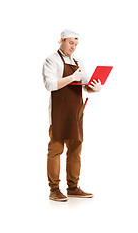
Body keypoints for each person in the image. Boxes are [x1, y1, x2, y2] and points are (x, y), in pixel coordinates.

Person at [42, 29, 101, 202]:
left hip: (76, 113)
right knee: (55, 150)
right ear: (61, 40)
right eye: (70, 43)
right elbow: (50, 84)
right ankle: (54, 189)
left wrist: (95, 87)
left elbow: (86, 85)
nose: (73, 47)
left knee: (75, 151)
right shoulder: (51, 60)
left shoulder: (78, 61)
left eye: (76, 44)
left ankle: (73, 187)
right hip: (59, 114)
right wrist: (72, 77)